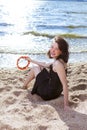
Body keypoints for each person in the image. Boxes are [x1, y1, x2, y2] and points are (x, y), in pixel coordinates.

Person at [23, 35, 69, 110]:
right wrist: (30, 60)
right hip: (56, 91)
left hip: (49, 94)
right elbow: (45, 64)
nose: (53, 50)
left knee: (35, 68)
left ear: (61, 51)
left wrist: (66, 105)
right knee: (40, 67)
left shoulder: (58, 64)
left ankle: (24, 86)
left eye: (56, 49)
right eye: (52, 47)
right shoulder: (61, 61)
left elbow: (65, 84)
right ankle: (25, 85)